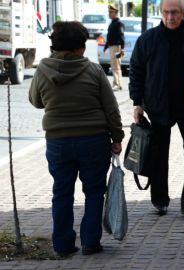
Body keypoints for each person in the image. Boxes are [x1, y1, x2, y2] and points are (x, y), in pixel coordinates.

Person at [29, 21, 124, 256]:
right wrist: (117, 137)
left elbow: (35, 100)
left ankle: (62, 245)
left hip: (58, 142)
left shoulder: (43, 69)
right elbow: (111, 108)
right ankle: (91, 242)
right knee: (94, 192)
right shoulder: (93, 70)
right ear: (81, 47)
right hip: (93, 141)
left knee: (61, 192)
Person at [129, 0, 184, 220]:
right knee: (159, 155)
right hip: (158, 105)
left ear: (183, 14)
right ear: (161, 13)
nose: (170, 17)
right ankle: (160, 200)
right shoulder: (148, 39)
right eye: (166, 13)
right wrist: (137, 102)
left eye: (174, 13)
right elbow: (136, 70)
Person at [105, 5, 125, 90]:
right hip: (112, 46)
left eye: (111, 12)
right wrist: (106, 46)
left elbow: (121, 36)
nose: (109, 14)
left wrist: (122, 48)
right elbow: (110, 36)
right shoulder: (113, 23)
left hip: (116, 47)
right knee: (115, 65)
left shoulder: (118, 23)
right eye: (109, 12)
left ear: (115, 13)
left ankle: (117, 83)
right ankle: (118, 83)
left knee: (115, 66)